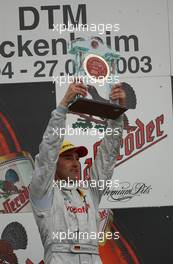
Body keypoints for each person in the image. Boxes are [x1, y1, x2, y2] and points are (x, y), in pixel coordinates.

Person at [29, 81, 126, 264]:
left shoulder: (90, 192)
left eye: (77, 158)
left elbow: (107, 157)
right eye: (67, 158)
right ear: (54, 166)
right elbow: (48, 153)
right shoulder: (43, 193)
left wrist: (117, 115)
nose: (75, 163)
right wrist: (63, 106)